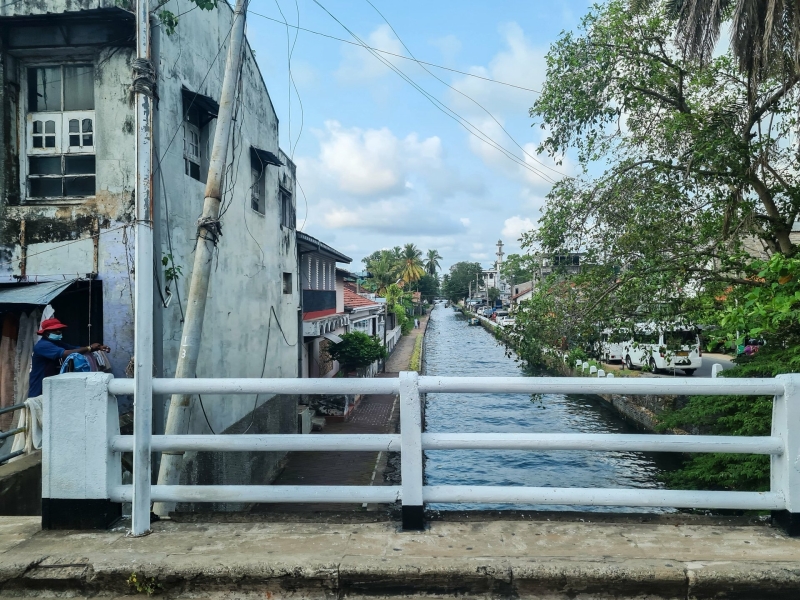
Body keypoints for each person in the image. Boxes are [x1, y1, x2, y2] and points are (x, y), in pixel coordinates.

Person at [29, 318, 110, 399]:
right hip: (39, 385)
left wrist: (97, 348)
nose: (59, 331)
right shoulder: (43, 345)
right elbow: (66, 353)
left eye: (60, 329)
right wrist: (90, 348)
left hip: (52, 383)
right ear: (46, 333)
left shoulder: (57, 343)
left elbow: (74, 349)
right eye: (55, 330)